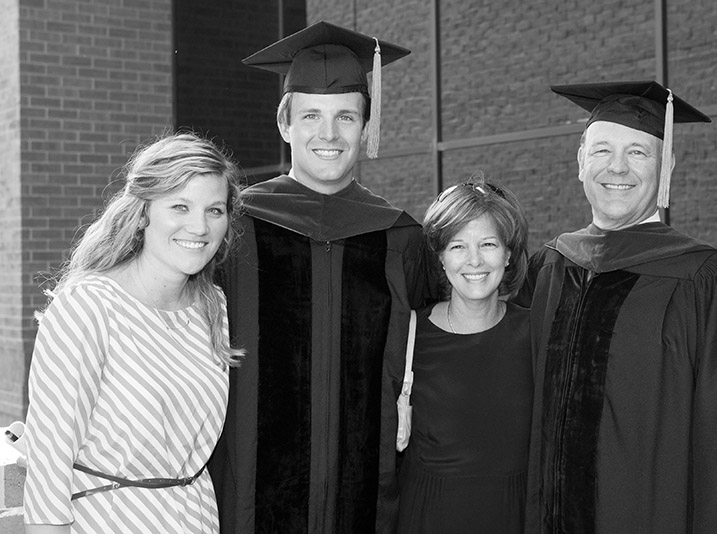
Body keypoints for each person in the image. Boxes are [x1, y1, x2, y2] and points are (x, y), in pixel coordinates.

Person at [514, 81, 717, 533]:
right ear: (580, 161)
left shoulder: (705, 278)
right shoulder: (548, 268)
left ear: (666, 166)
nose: (617, 167)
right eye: (603, 150)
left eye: (638, 153)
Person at [208, 21, 434, 534]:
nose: (329, 134)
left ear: (366, 127)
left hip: (368, 494)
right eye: (311, 115)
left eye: (345, 117)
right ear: (284, 124)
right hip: (249, 495)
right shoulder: (236, 227)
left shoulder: (399, 236)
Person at [22, 132, 244, 534]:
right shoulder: (89, 306)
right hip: (105, 519)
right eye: (180, 206)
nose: (200, 226)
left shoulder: (213, 306)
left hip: (196, 517)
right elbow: (48, 462)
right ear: (143, 213)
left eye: (215, 210)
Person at [396, 179, 532, 534]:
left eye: (488, 244)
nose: (474, 260)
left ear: (508, 254)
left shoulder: (537, 334)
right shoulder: (408, 335)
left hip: (514, 516)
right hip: (429, 517)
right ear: (441, 257)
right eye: (458, 246)